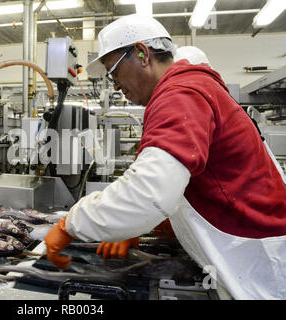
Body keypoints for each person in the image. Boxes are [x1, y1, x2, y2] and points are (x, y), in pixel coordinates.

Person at [44, 14, 286, 299]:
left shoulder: (180, 93)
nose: (116, 86)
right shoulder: (190, 87)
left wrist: (70, 224)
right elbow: (192, 183)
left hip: (259, 265)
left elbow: (148, 194)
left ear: (142, 54)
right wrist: (151, 224)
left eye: (115, 73)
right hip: (251, 254)